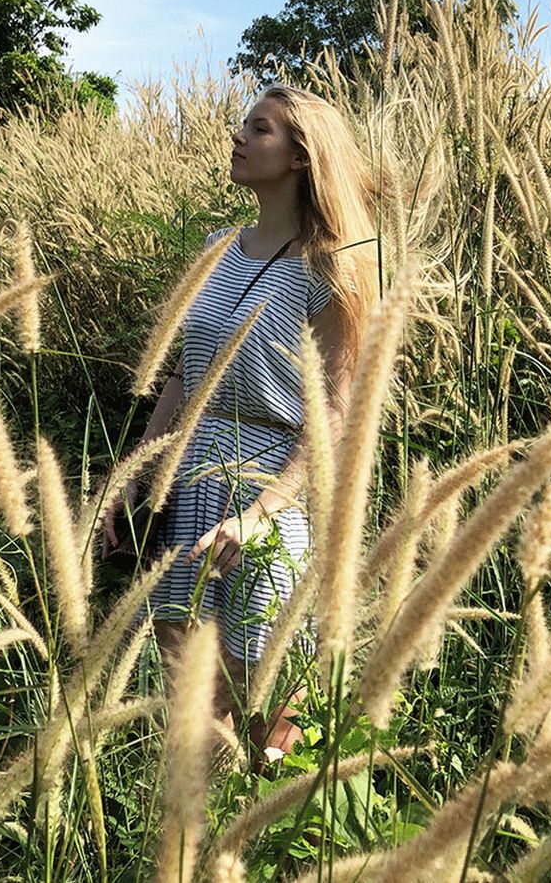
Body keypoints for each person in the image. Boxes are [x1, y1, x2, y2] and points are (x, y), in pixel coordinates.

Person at [103, 83, 386, 765]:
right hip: (187, 477)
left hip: (268, 487)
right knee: (188, 707)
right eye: (243, 125)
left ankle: (263, 830)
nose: (237, 137)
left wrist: (263, 512)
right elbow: (181, 373)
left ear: (299, 156)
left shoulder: (334, 268)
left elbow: (337, 412)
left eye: (258, 129)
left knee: (263, 698)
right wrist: (135, 473)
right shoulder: (217, 248)